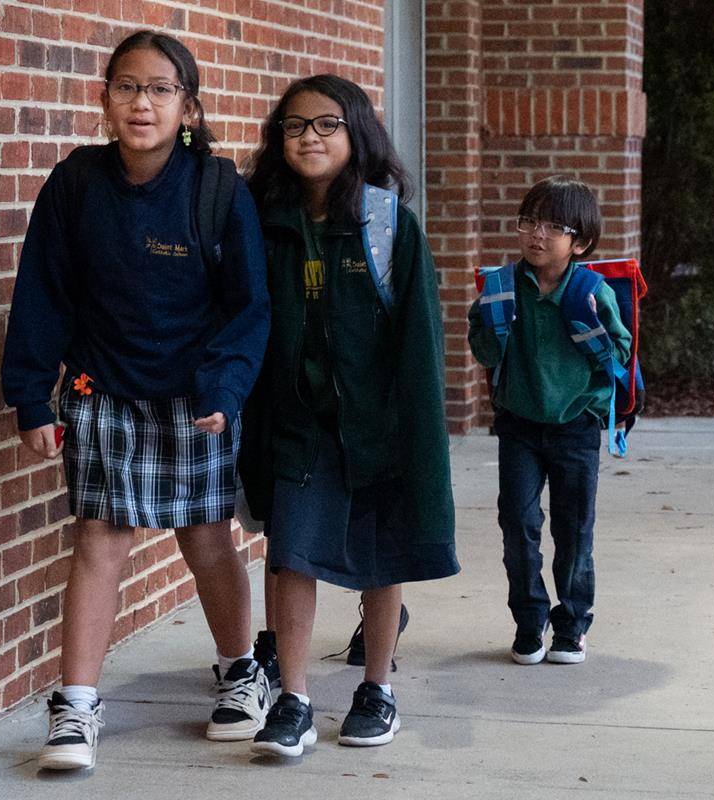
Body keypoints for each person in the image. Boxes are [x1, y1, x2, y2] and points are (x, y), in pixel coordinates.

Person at [1, 30, 271, 770]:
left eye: (159, 89)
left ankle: (240, 671)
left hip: (196, 392)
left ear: (187, 105)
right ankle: (76, 707)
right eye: (126, 86)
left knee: (207, 539)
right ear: (105, 99)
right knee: (99, 539)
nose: (140, 102)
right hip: (101, 386)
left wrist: (225, 383)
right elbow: (42, 293)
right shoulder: (77, 184)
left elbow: (249, 306)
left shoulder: (216, 189)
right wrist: (30, 395)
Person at [239, 75, 458, 757]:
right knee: (290, 554)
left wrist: (418, 436)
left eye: (327, 123)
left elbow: (419, 340)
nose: (309, 136)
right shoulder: (260, 219)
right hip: (297, 422)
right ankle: (294, 698)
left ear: (356, 134)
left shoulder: (388, 223)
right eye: (295, 125)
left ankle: (375, 689)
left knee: (379, 552)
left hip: (378, 421)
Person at [467, 176, 631, 666]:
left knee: (574, 528)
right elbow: (481, 348)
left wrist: (590, 344)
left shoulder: (590, 292)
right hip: (518, 424)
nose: (536, 234)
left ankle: (573, 623)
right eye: (528, 221)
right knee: (518, 522)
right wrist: (493, 329)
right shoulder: (501, 287)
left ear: (579, 241)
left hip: (575, 427)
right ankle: (528, 619)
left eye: (552, 226)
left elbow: (620, 354)